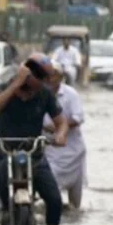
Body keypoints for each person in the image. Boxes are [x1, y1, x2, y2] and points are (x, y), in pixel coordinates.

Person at [0, 54, 68, 225]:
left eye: (45, 78)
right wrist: (16, 84)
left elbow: (61, 122)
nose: (44, 82)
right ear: (27, 73)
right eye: (40, 77)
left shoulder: (45, 94)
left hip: (34, 155)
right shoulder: (5, 88)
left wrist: (61, 135)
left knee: (55, 201)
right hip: (2, 154)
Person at [42, 67, 87, 209]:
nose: (49, 79)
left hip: (72, 150)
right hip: (49, 150)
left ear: (61, 78)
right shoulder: (39, 94)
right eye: (46, 76)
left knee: (75, 199)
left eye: (53, 76)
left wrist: (58, 127)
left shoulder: (70, 94)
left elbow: (78, 118)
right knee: (50, 183)